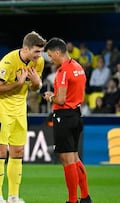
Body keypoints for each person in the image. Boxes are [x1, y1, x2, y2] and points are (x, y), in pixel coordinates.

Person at [0, 31, 46, 203]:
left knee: (18, 151)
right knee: (0, 150)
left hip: (20, 109)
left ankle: (13, 196)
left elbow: (35, 89)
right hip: (2, 108)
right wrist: (18, 83)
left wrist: (37, 83)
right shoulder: (9, 61)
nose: (39, 55)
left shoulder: (39, 62)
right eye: (36, 51)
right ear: (26, 48)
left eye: (40, 52)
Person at [43, 37, 92, 203]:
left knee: (67, 160)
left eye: (50, 55)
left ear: (58, 52)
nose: (50, 58)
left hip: (64, 116)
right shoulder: (78, 67)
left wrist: (50, 97)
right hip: (77, 115)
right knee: (75, 158)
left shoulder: (63, 71)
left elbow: (61, 99)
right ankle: (85, 197)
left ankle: (72, 200)